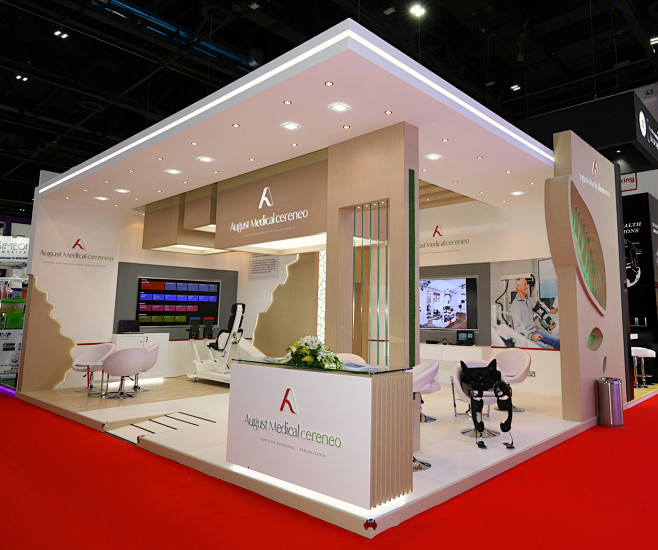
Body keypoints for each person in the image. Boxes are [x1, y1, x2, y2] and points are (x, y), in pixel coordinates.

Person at [510, 278, 560, 349]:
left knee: (558, 341)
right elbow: (517, 328)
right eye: (525, 285)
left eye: (527, 284)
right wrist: (531, 336)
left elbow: (539, 311)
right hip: (525, 336)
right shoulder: (516, 305)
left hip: (534, 331)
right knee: (543, 348)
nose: (527, 286)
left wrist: (549, 322)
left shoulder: (529, 299)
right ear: (518, 287)